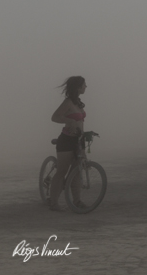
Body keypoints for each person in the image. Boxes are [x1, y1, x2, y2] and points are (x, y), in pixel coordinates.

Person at [48, 76, 88, 211]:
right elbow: (55, 117)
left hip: (79, 140)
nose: (86, 87)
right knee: (62, 172)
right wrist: (69, 121)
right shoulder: (68, 102)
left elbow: (80, 121)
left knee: (77, 172)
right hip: (67, 140)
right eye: (84, 84)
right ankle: (53, 203)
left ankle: (77, 201)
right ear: (77, 87)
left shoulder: (78, 103)